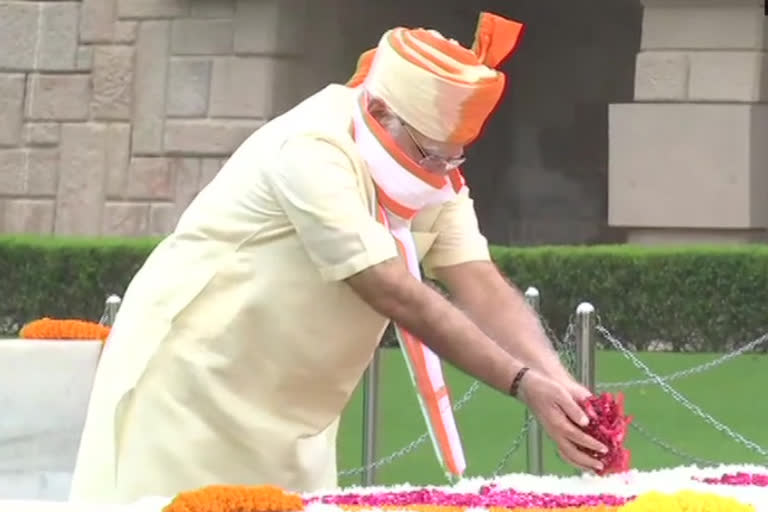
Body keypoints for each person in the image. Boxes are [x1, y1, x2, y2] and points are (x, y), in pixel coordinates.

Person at [69, 11, 606, 504]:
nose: (442, 172)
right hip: (189, 391)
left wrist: (557, 382)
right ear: (378, 110)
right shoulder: (312, 146)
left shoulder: (435, 174)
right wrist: (519, 383)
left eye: (455, 157)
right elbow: (390, 288)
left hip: (292, 417)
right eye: (429, 154)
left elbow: (480, 282)